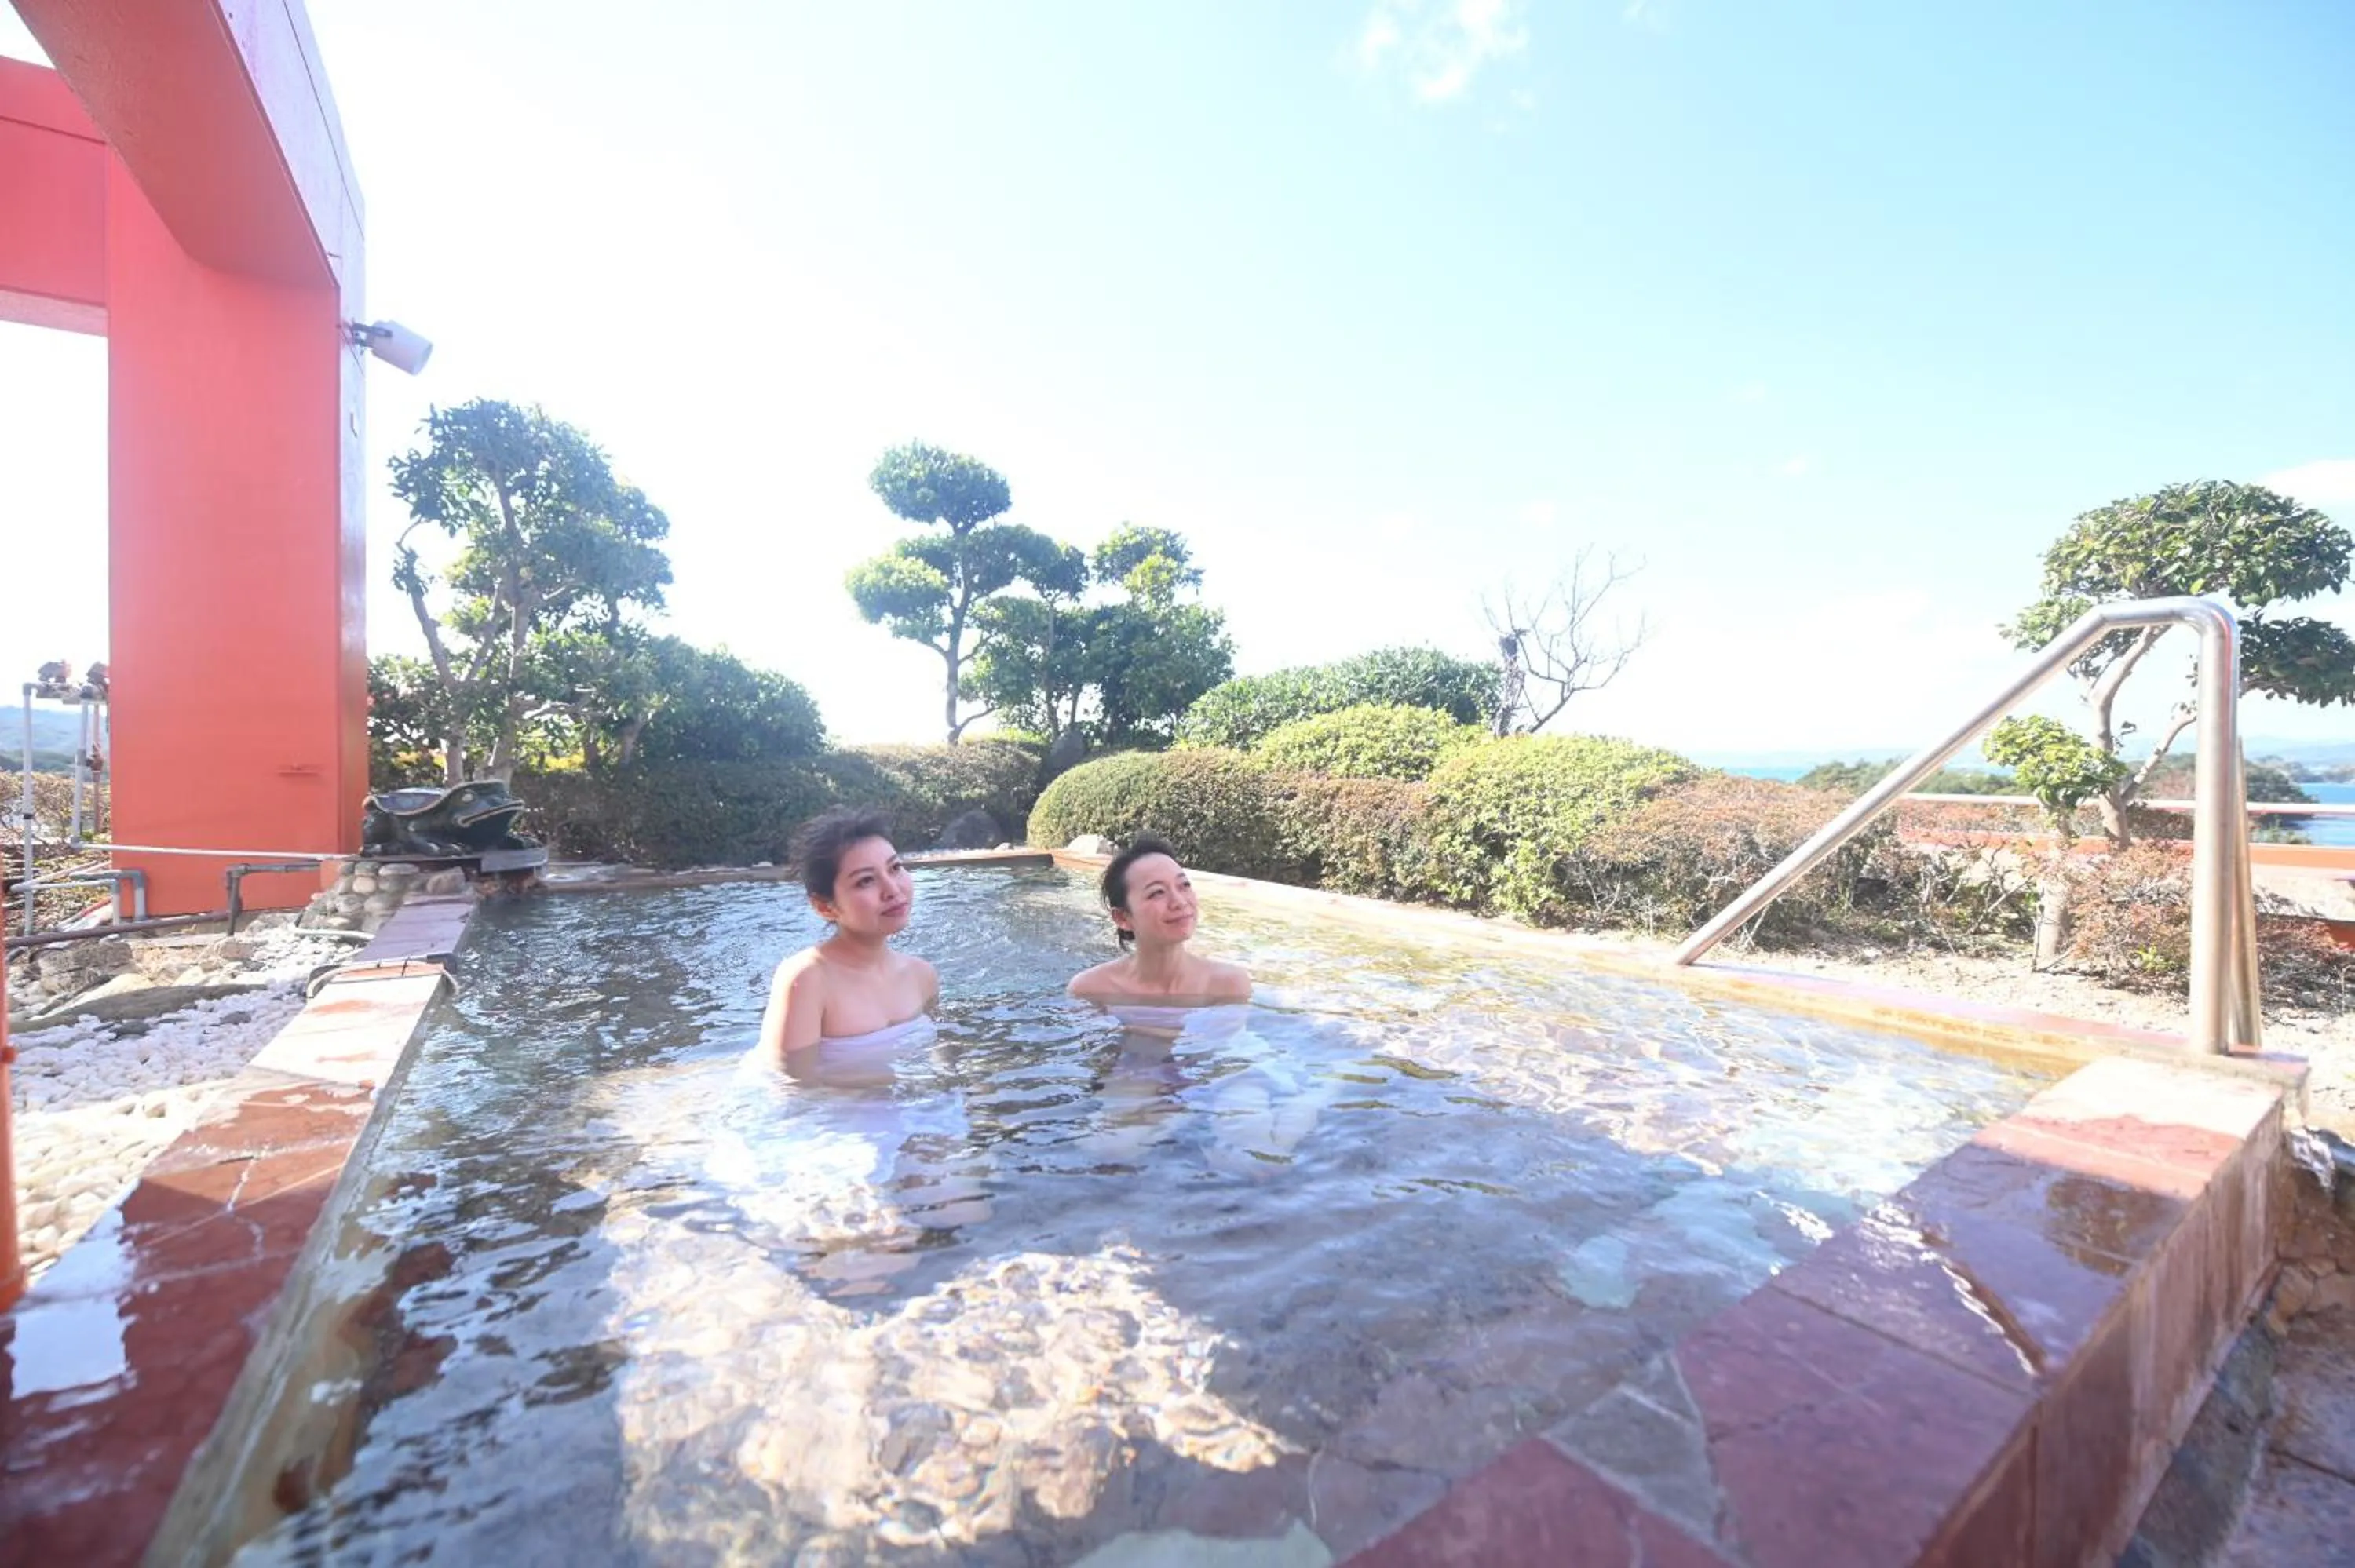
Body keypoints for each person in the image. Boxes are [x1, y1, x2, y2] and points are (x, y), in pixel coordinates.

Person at [754, 808, 939, 1066]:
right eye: (865, 881)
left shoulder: (922, 976)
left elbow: (939, 1056)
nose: (893, 889)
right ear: (824, 907)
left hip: (925, 1103)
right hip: (836, 1107)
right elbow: (790, 1085)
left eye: (895, 868)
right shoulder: (807, 979)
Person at [1068, 835, 1251, 1006]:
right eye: (1157, 892)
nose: (1180, 902)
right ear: (1122, 918)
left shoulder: (1229, 986)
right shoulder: (1091, 990)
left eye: (1184, 885)